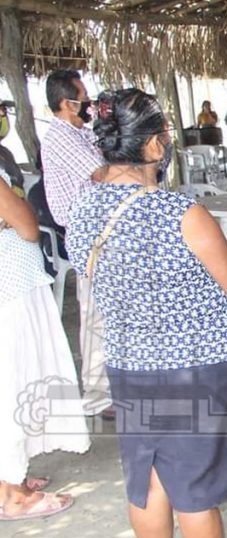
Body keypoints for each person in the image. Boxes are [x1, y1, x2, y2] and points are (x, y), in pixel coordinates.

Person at [65, 88, 227, 537]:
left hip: (130, 363)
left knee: (148, 478)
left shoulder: (82, 210)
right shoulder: (180, 212)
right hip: (195, 369)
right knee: (195, 490)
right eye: (165, 134)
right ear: (151, 145)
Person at [0, 168, 90, 522]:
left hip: (14, 284)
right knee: (13, 379)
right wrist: (16, 210)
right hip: (10, 292)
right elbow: (26, 225)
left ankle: (10, 473)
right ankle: (12, 494)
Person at [39, 68, 112, 418]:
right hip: (86, 233)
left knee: (111, 312)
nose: (88, 105)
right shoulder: (60, 137)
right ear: (65, 103)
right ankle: (98, 396)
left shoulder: (81, 133)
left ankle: (113, 386)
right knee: (96, 315)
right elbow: (101, 173)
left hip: (103, 230)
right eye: (83, 100)